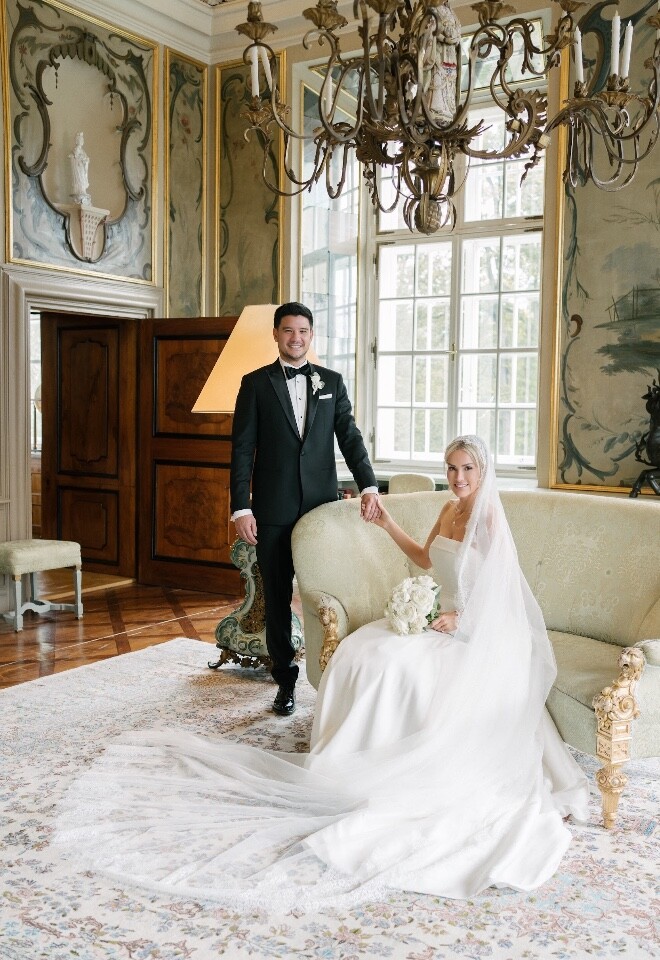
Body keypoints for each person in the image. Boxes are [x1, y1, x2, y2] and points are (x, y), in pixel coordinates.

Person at [56, 435, 590, 908]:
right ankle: (348, 754)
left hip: (473, 630)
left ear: (484, 472)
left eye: (467, 470)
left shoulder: (488, 516)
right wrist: (387, 525)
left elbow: (497, 588)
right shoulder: (450, 510)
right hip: (438, 617)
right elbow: (427, 561)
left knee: (398, 665)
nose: (457, 479)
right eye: (451, 469)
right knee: (365, 651)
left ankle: (393, 768)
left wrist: (459, 616)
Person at [230, 302, 380, 716]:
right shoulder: (255, 384)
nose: (296, 338)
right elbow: (242, 449)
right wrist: (241, 508)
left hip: (321, 510)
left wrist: (368, 484)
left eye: (303, 331)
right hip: (273, 509)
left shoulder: (330, 381)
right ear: (276, 334)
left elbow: (350, 437)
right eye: (288, 331)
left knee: (327, 593)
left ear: (311, 336)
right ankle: (285, 683)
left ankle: (336, 678)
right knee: (277, 598)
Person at [421, 0, 461, 125]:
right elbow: (430, 30)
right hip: (438, 51)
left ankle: (447, 110)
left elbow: (458, 30)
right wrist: (444, 38)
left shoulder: (452, 12)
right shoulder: (433, 9)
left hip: (450, 53)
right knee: (437, 77)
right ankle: (435, 108)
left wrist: (454, 39)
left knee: (450, 80)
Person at [69, 131, 91, 204]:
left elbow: (85, 158)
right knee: (79, 178)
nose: (82, 141)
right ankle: (79, 190)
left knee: (83, 178)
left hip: (82, 167)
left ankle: (82, 190)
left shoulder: (82, 151)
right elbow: (74, 157)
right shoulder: (76, 149)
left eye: (82, 140)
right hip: (78, 167)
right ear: (77, 141)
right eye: (80, 140)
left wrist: (86, 160)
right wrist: (81, 159)